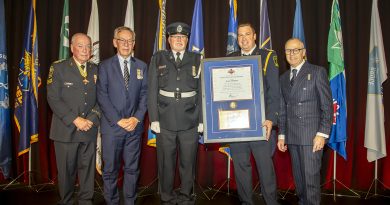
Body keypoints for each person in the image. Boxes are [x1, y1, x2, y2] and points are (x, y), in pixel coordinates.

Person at [148, 22, 202, 205]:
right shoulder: (158, 58)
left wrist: (202, 120)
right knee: (166, 164)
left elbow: (203, 92)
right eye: (175, 37)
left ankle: (186, 197)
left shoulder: (197, 59)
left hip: (190, 120)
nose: (179, 40)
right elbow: (152, 91)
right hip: (165, 119)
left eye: (183, 37)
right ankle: (167, 197)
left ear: (187, 40)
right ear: (169, 40)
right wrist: (154, 118)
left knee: (188, 163)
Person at [227, 23, 280, 205]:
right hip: (237, 126)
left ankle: (271, 202)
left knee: (265, 169)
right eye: (240, 35)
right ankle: (246, 202)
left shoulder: (267, 57)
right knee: (241, 169)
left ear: (255, 36)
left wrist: (271, 119)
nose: (243, 39)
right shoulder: (230, 59)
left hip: (260, 125)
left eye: (247, 34)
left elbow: (274, 92)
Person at [278, 38, 332, 205]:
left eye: (295, 50)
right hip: (292, 137)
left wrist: (322, 134)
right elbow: (282, 109)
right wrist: (281, 135)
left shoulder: (317, 72)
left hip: (311, 137)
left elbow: (327, 106)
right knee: (300, 183)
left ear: (304, 52)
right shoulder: (284, 77)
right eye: (288, 51)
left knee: (310, 183)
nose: (291, 54)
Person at [97, 26, 148, 205]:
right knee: (110, 170)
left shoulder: (142, 66)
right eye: (122, 40)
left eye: (130, 41)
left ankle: (130, 202)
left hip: (134, 128)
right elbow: (102, 96)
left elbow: (145, 95)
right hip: (112, 128)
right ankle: (111, 202)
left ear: (134, 43)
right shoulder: (104, 66)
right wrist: (119, 120)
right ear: (114, 42)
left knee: (132, 169)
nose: (126, 44)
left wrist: (136, 118)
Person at [47, 33, 100, 205]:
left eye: (88, 46)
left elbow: (102, 98)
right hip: (66, 130)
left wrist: (91, 118)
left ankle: (86, 201)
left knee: (87, 173)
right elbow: (53, 98)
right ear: (72, 47)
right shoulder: (59, 68)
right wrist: (75, 119)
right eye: (81, 46)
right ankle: (66, 201)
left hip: (89, 129)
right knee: (66, 172)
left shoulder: (95, 69)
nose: (85, 50)